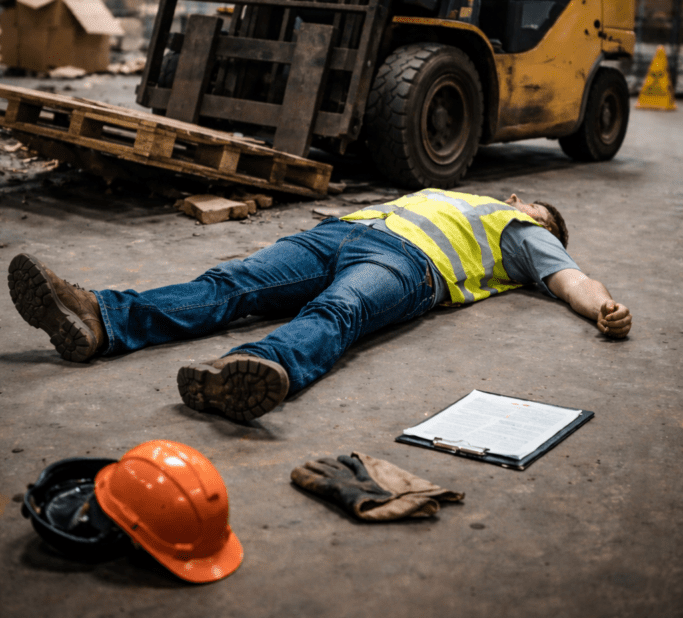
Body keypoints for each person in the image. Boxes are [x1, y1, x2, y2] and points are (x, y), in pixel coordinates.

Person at [8, 189, 632, 423]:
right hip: (337, 232)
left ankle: (252, 371)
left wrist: (604, 308)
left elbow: (572, 280)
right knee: (232, 282)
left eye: (543, 219)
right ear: (516, 193)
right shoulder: (461, 193)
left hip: (408, 265)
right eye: (534, 208)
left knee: (340, 313)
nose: (534, 215)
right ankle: (100, 320)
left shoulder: (525, 236)